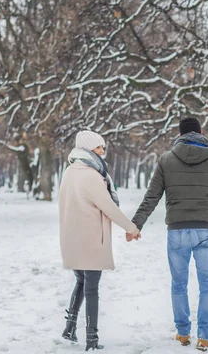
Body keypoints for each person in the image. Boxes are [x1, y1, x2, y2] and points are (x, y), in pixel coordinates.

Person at [131, 117, 208, 352]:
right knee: (207, 284)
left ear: (179, 134)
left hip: (178, 230)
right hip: (207, 230)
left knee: (178, 284)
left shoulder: (166, 160)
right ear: (201, 132)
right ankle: (203, 336)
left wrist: (136, 224)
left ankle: (182, 333)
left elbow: (152, 196)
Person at [59, 130, 141, 351]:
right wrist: (131, 228)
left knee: (81, 282)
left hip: (72, 239)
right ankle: (92, 340)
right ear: (87, 148)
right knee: (92, 288)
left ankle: (69, 328)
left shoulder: (69, 172)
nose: (102, 152)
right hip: (91, 239)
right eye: (98, 147)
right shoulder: (92, 175)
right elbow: (109, 207)